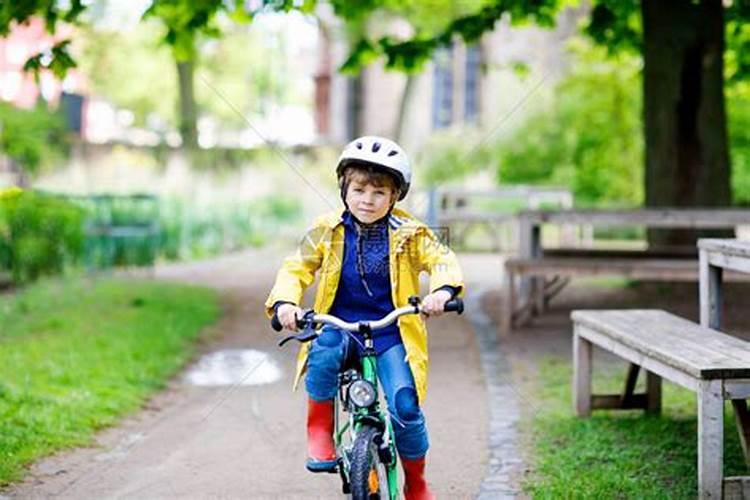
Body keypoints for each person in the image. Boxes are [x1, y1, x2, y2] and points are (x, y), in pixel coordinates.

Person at [265, 136, 464, 500]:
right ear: (344, 188)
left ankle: (416, 482)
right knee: (322, 352)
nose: (366, 200)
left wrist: (442, 291)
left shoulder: (410, 233)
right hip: (338, 327)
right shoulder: (326, 231)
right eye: (358, 190)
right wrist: (285, 304)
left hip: (391, 331)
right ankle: (320, 431)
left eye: (378, 193)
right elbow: (295, 268)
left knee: (405, 406)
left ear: (395, 197)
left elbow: (441, 260)